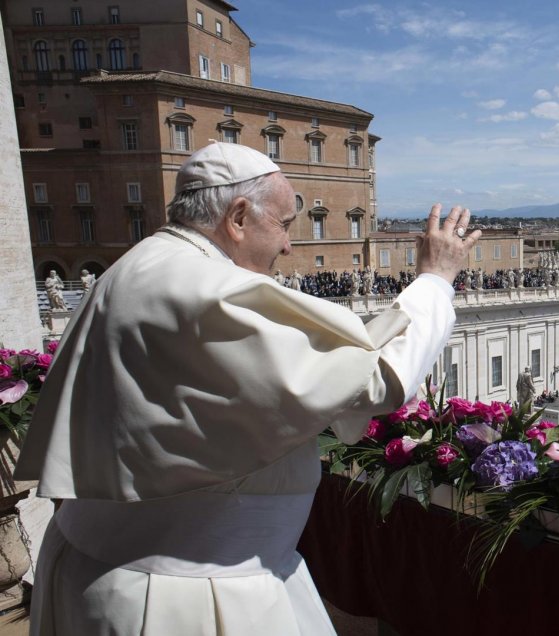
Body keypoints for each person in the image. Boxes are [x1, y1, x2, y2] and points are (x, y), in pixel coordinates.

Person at [15, 142, 482, 635]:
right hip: (183, 596)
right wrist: (434, 281)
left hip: (103, 568)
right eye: (283, 225)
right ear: (238, 217)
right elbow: (376, 381)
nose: (286, 247)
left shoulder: (138, 267)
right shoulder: (205, 289)